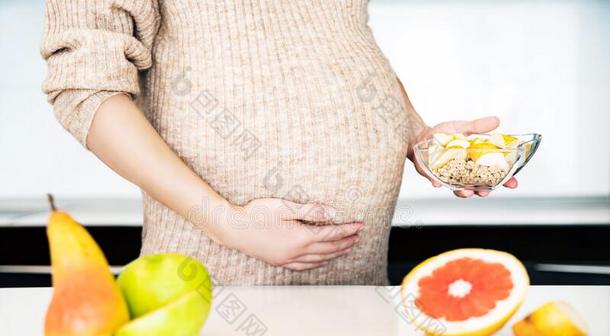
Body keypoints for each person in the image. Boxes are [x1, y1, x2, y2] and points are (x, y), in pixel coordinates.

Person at [41, 0, 517, 285]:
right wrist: (226, 222)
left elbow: (342, 40)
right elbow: (86, 90)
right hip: (215, 300)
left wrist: (419, 134)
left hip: (360, 289)